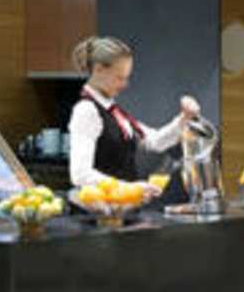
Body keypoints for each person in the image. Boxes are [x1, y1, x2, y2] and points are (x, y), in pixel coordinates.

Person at [67, 35, 199, 188]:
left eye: (126, 78)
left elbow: (155, 142)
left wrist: (184, 118)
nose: (125, 84)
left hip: (123, 203)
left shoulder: (114, 112)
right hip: (101, 203)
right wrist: (130, 188)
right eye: (119, 78)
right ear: (98, 70)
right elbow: (80, 175)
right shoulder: (86, 111)